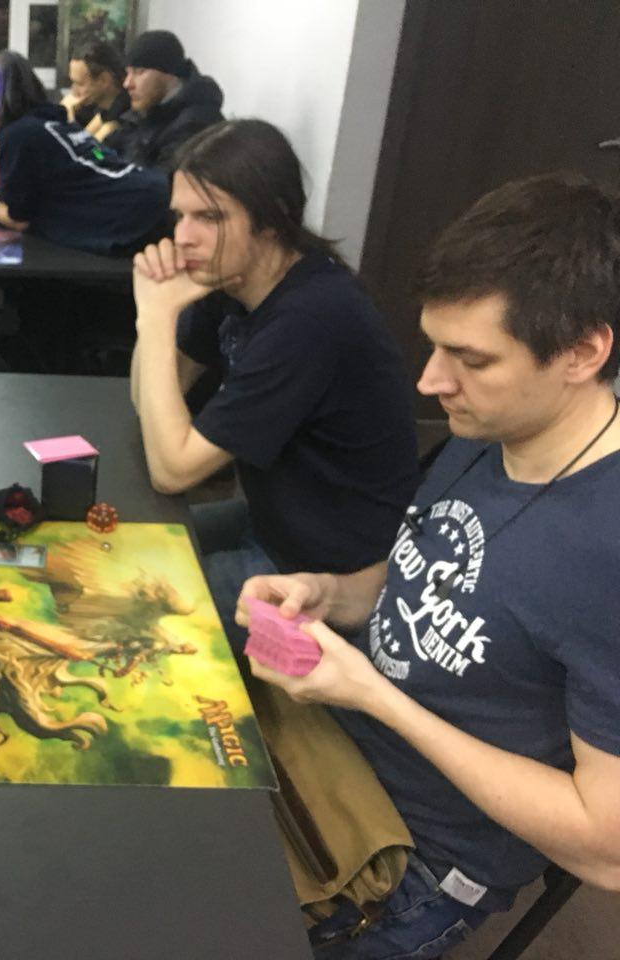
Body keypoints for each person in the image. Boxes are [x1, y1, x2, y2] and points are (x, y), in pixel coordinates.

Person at [235, 171, 620, 958]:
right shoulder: (490, 432)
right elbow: (426, 574)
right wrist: (328, 592)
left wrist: (374, 696)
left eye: (470, 358)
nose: (431, 381)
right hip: (328, 750)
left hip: (420, 858)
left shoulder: (604, 549)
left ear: (582, 352)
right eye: (435, 345)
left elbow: (603, 848)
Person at [130, 119, 419, 642]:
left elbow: (172, 470)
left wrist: (154, 317)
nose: (182, 237)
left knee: (129, 610)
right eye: (180, 215)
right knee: (122, 547)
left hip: (323, 571)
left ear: (272, 219)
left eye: (209, 217)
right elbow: (146, 399)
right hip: (269, 526)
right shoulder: (230, 278)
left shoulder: (311, 318)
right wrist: (157, 314)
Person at [0, 51, 168, 255]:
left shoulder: (18, 135)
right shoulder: (57, 124)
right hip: (153, 193)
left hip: (135, 216)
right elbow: (94, 158)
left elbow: (19, 219)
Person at [112, 29, 224, 170]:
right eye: (127, 73)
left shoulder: (195, 124)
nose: (127, 83)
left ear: (169, 73)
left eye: (138, 72)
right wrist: (97, 157)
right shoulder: (143, 112)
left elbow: (156, 181)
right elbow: (99, 153)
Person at [61, 40, 130, 146]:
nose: (73, 91)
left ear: (104, 80)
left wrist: (69, 120)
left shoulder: (123, 119)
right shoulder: (106, 111)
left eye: (80, 84)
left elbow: (95, 154)